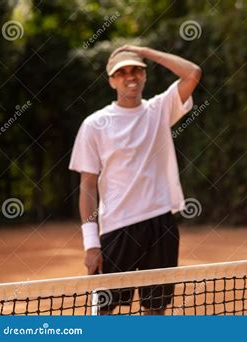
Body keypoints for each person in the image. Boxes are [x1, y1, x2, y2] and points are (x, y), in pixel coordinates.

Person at [69, 45, 201, 314]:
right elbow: (88, 186)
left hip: (160, 223)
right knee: (104, 312)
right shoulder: (94, 125)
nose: (130, 76)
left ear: (144, 75)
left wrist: (142, 51)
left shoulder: (159, 110)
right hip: (117, 228)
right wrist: (91, 243)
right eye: (122, 72)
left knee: (155, 310)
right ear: (112, 80)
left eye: (136, 70)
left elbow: (192, 73)